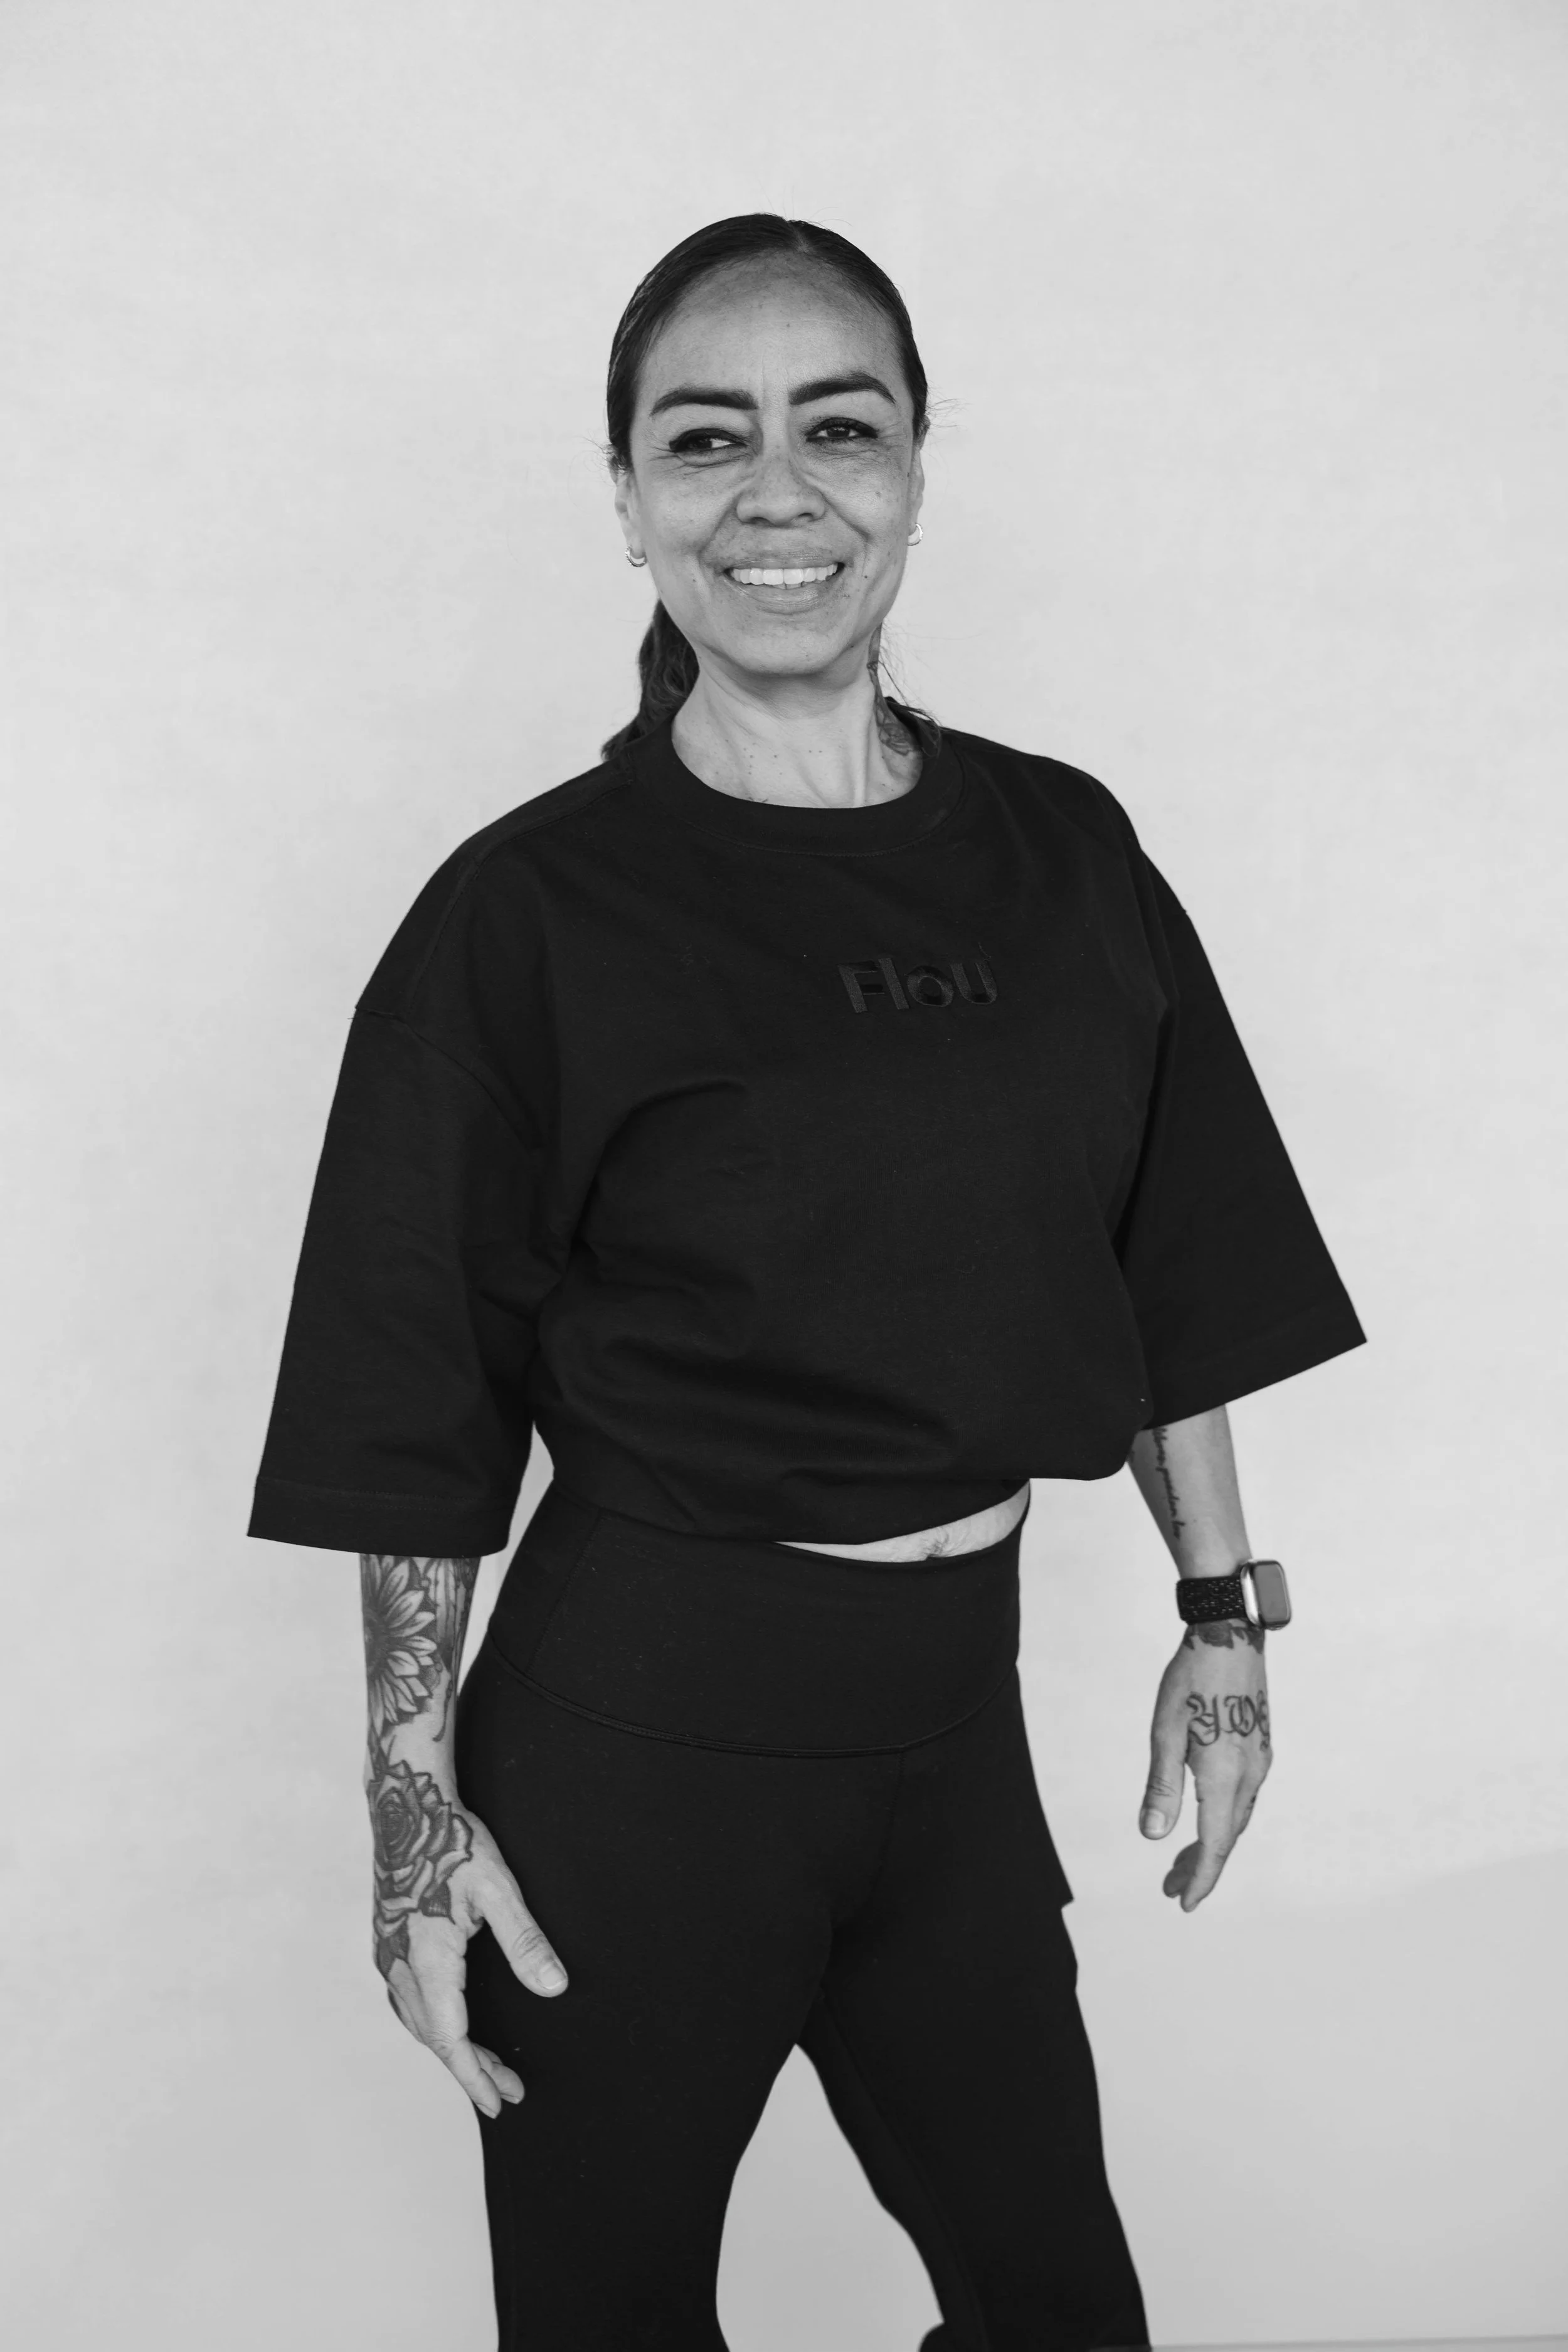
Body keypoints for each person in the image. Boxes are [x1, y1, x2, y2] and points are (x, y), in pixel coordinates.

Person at [248, 214, 1365, 2352]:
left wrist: (1220, 1619)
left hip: (949, 1723)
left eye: (836, 429)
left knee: (1061, 2313)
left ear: (916, 465)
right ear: (628, 497)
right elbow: (416, 1391)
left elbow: (1170, 1261)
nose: (778, 492)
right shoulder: (530, 916)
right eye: (706, 438)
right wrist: (409, 1807)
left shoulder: (1062, 850)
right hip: (638, 1742)